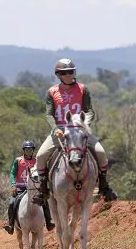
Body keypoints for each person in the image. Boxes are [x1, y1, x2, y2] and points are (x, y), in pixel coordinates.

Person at [32, 58, 117, 205]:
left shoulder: (83, 89)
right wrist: (55, 128)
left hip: (79, 131)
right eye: (64, 73)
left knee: (101, 153)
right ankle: (43, 189)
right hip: (59, 132)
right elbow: (48, 114)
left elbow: (89, 110)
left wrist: (84, 124)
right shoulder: (52, 92)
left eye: (71, 72)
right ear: (58, 75)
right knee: (40, 156)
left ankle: (104, 186)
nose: (69, 75)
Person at [4, 140, 55, 235]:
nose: (29, 151)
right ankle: (10, 224)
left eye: (30, 150)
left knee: (44, 201)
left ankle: (49, 222)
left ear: (33, 150)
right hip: (20, 187)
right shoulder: (18, 160)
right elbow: (12, 173)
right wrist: (13, 184)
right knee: (11, 202)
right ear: (24, 150)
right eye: (27, 150)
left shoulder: (37, 161)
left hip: (35, 188)